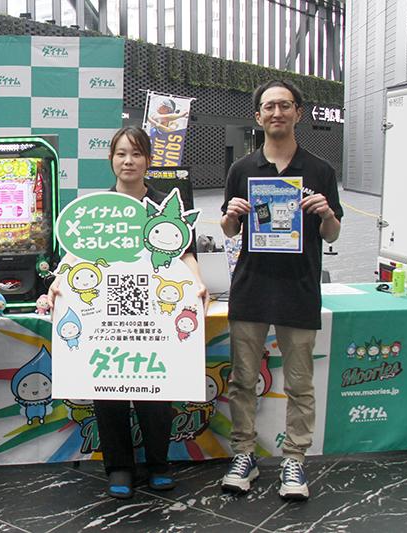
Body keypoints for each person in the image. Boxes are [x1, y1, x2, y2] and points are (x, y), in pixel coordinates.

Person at [49, 126, 208, 499]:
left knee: (157, 388)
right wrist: (58, 284)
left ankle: (158, 464)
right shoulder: (97, 209)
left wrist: (197, 282)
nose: (128, 161)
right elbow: (76, 257)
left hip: (155, 313)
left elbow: (185, 253)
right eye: (121, 154)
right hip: (105, 313)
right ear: (111, 159)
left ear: (148, 160)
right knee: (108, 388)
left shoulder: (165, 206)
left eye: (136, 154)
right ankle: (119, 465)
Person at [219, 80, 342, 501]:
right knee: (242, 380)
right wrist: (230, 216)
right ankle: (244, 455)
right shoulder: (242, 170)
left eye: (284, 105)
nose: (277, 113)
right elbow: (229, 230)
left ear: (298, 113)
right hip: (251, 287)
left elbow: (331, 234)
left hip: (299, 288)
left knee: (300, 383)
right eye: (269, 106)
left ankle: (294, 459)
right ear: (258, 116)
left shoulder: (320, 170)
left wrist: (327, 214)